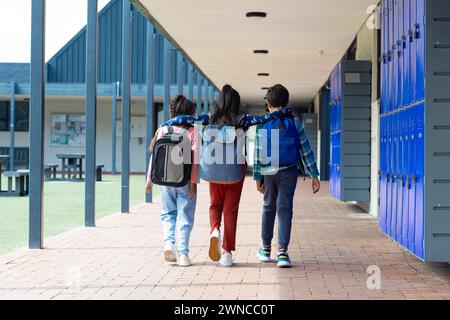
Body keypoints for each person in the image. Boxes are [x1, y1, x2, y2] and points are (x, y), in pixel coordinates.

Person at [161, 85, 294, 268]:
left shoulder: (208, 119)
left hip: (213, 172)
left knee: (215, 205)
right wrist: (285, 110)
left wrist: (167, 123)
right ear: (236, 103)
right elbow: (266, 117)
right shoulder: (243, 120)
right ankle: (227, 253)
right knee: (230, 211)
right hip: (234, 173)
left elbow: (186, 119)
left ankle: (215, 230)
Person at [254, 84, 321, 268]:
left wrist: (257, 177)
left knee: (268, 208)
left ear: (268, 104)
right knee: (284, 210)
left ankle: (266, 250)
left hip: (268, 171)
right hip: (289, 171)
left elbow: (258, 152)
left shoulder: (263, 124)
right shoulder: (295, 123)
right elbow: (305, 149)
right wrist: (313, 174)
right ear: (288, 103)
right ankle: (282, 253)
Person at [145, 95, 200, 267]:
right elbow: (196, 160)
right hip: (184, 181)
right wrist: (193, 182)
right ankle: (183, 254)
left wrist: (149, 180)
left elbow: (154, 157)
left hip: (165, 180)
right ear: (190, 113)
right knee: (185, 216)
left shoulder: (163, 130)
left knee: (168, 214)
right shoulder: (193, 132)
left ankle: (169, 243)